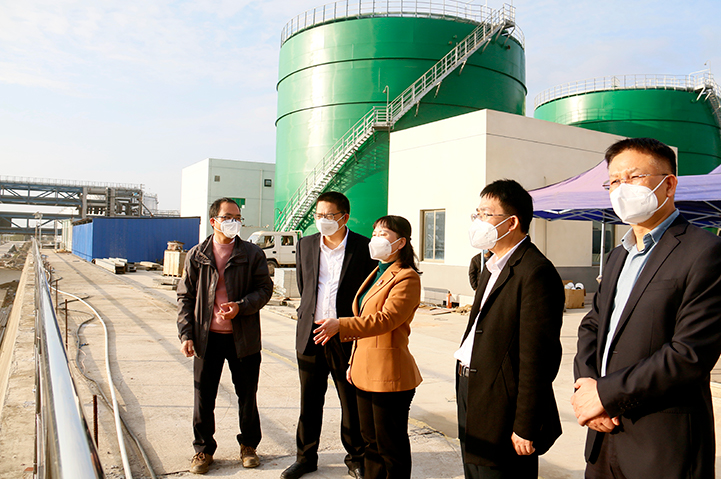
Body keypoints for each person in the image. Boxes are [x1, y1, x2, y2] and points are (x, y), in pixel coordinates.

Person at [572, 138, 721, 478]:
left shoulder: (705, 252)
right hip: (602, 438)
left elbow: (689, 354)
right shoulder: (617, 256)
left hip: (661, 447)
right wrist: (586, 385)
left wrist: (605, 395)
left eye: (634, 177)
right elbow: (592, 326)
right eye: (614, 181)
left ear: (669, 185)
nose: (622, 188)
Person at [456, 179, 564, 479]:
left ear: (512, 222)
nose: (478, 221)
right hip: (472, 386)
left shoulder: (535, 272)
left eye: (486, 214)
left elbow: (538, 358)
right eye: (477, 213)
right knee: (475, 470)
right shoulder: (491, 265)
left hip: (503, 403)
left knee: (500, 472)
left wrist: (525, 424)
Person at [314, 215, 422, 479]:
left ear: (401, 242)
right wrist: (353, 363)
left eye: (383, 234)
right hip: (364, 370)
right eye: (374, 233)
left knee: (390, 444)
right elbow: (364, 320)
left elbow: (386, 320)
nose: (375, 239)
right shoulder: (377, 272)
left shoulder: (406, 277)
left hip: (389, 373)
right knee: (370, 442)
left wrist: (341, 325)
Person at [281, 192, 377, 479]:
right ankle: (305, 458)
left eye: (329, 215)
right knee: (309, 401)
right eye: (319, 215)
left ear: (344, 217)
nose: (322, 220)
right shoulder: (306, 244)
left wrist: (348, 325)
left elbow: (367, 294)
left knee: (351, 401)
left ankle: (356, 458)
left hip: (345, 334)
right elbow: (305, 286)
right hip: (311, 334)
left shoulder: (363, 247)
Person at [177, 197, 273, 475]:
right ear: (213, 221)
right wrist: (186, 334)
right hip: (207, 338)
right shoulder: (197, 255)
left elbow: (264, 289)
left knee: (247, 395)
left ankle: (249, 445)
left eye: (238, 217)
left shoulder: (252, 253)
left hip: (244, 338)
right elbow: (185, 297)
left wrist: (241, 307)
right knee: (203, 396)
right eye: (228, 217)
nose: (234, 222)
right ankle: (203, 449)